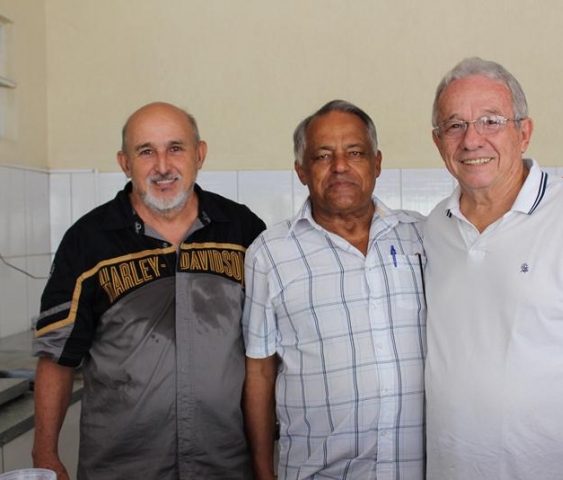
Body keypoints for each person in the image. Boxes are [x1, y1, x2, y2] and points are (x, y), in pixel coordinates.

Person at [424, 57, 563, 480]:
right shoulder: (435, 227)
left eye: (490, 121)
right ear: (438, 141)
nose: (472, 140)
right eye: (455, 125)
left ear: (523, 133)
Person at [32, 102, 265, 480]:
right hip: (122, 469)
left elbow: (264, 356)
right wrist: (45, 455)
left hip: (225, 466)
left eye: (175, 148)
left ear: (199, 154)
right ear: (125, 163)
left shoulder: (243, 230)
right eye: (146, 152)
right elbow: (57, 359)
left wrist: (265, 464)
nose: (162, 166)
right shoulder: (87, 241)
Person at [242, 100, 427, 479]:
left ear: (377, 163)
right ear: (301, 171)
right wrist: (263, 472)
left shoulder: (421, 237)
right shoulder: (270, 254)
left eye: (355, 153)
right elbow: (259, 371)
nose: (340, 166)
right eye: (323, 156)